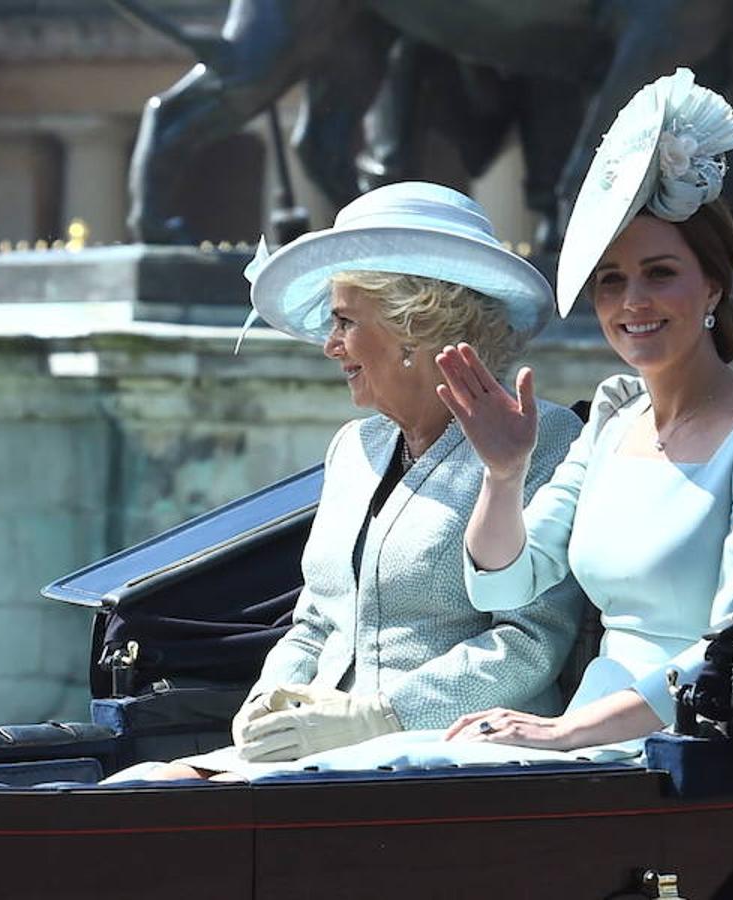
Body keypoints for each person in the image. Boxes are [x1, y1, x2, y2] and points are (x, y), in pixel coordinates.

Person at [112, 181, 585, 780]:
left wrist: (380, 717)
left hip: (455, 755)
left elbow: (532, 641)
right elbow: (314, 622)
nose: (331, 346)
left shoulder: (540, 439)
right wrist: (269, 700)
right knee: (139, 791)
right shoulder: (355, 448)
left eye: (344, 322)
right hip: (321, 752)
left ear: (414, 326)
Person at [436, 69, 733, 752]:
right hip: (584, 732)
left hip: (687, 745)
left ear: (712, 285)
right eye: (611, 282)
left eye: (660, 273)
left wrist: (568, 733)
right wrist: (504, 475)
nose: (631, 304)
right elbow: (504, 584)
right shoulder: (614, 421)